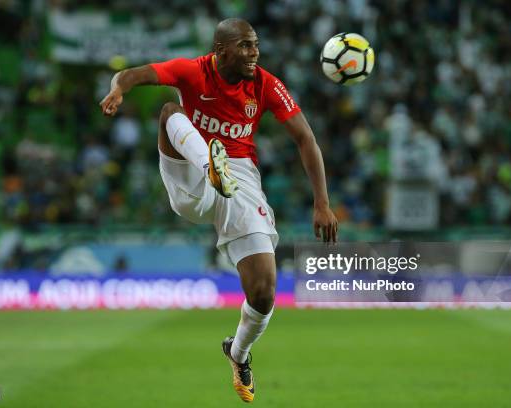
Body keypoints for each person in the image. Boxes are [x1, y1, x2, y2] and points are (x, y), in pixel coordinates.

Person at [100, 18, 338, 403]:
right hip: (191, 171)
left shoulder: (265, 83)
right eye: (245, 46)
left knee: (264, 291)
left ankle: (238, 352)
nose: (254, 53)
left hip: (239, 178)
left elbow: (305, 137)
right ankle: (211, 165)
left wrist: (322, 202)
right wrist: (116, 91)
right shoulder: (191, 71)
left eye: (256, 45)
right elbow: (132, 74)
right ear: (221, 51)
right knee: (168, 111)